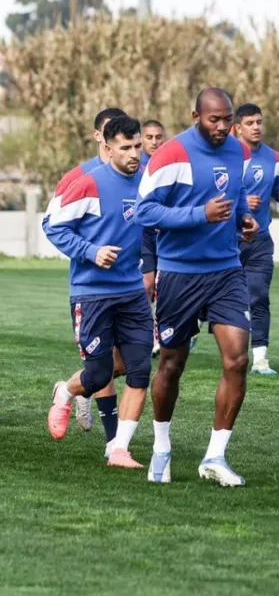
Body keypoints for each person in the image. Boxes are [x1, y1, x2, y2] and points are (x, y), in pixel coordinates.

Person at [135, 87, 259, 486]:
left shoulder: (238, 151)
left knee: (238, 359)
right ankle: (161, 447)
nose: (222, 127)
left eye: (227, 119)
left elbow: (235, 196)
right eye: (214, 120)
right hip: (180, 273)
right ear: (195, 116)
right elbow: (144, 211)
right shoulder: (171, 154)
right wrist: (199, 214)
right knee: (172, 363)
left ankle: (215, 456)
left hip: (226, 270)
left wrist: (243, 220)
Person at [45, 115, 153, 469]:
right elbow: (53, 226)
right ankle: (66, 392)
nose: (135, 153)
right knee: (98, 374)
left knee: (139, 370)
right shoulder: (88, 184)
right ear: (106, 148)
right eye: (126, 148)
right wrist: (91, 252)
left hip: (132, 292)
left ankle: (118, 448)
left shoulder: (148, 180)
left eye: (138, 145)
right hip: (91, 294)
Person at [234, 103, 279, 375]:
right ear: (237, 128)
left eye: (259, 121)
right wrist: (241, 201)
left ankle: (260, 358)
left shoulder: (274, 157)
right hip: (226, 240)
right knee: (217, 300)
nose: (256, 127)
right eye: (250, 123)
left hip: (259, 238)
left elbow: (277, 183)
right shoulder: (229, 156)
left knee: (258, 295)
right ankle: (193, 330)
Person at [139, 119, 167, 356]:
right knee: (147, 284)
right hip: (145, 236)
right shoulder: (136, 167)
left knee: (165, 288)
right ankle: (144, 333)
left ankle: (163, 334)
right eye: (149, 137)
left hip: (168, 235)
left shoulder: (168, 165)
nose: (154, 141)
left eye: (158, 137)